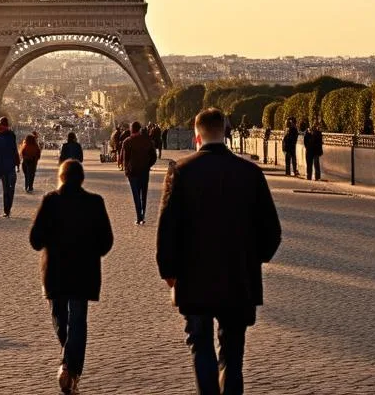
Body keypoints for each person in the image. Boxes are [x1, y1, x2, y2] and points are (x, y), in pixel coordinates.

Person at [157, 107, 282, 395]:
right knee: (233, 354)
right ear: (226, 132)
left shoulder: (181, 172)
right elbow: (272, 232)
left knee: (200, 346)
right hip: (239, 277)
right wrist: (254, 259)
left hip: (194, 277)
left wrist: (169, 271)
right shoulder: (250, 173)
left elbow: (167, 229)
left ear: (196, 135)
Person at [29, 159, 114, 395]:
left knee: (60, 318)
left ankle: (68, 366)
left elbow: (35, 240)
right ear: (82, 179)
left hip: (55, 272)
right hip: (83, 272)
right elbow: (106, 241)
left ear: (61, 177)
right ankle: (71, 368)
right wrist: (92, 252)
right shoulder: (95, 203)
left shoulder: (50, 201)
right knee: (78, 321)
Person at [120, 121, 158, 225]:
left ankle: (139, 217)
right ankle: (143, 215)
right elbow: (154, 156)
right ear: (140, 129)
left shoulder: (127, 142)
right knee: (143, 194)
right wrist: (148, 165)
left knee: (136, 195)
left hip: (132, 172)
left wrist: (126, 170)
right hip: (144, 171)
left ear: (131, 129)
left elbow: (125, 159)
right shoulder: (147, 141)